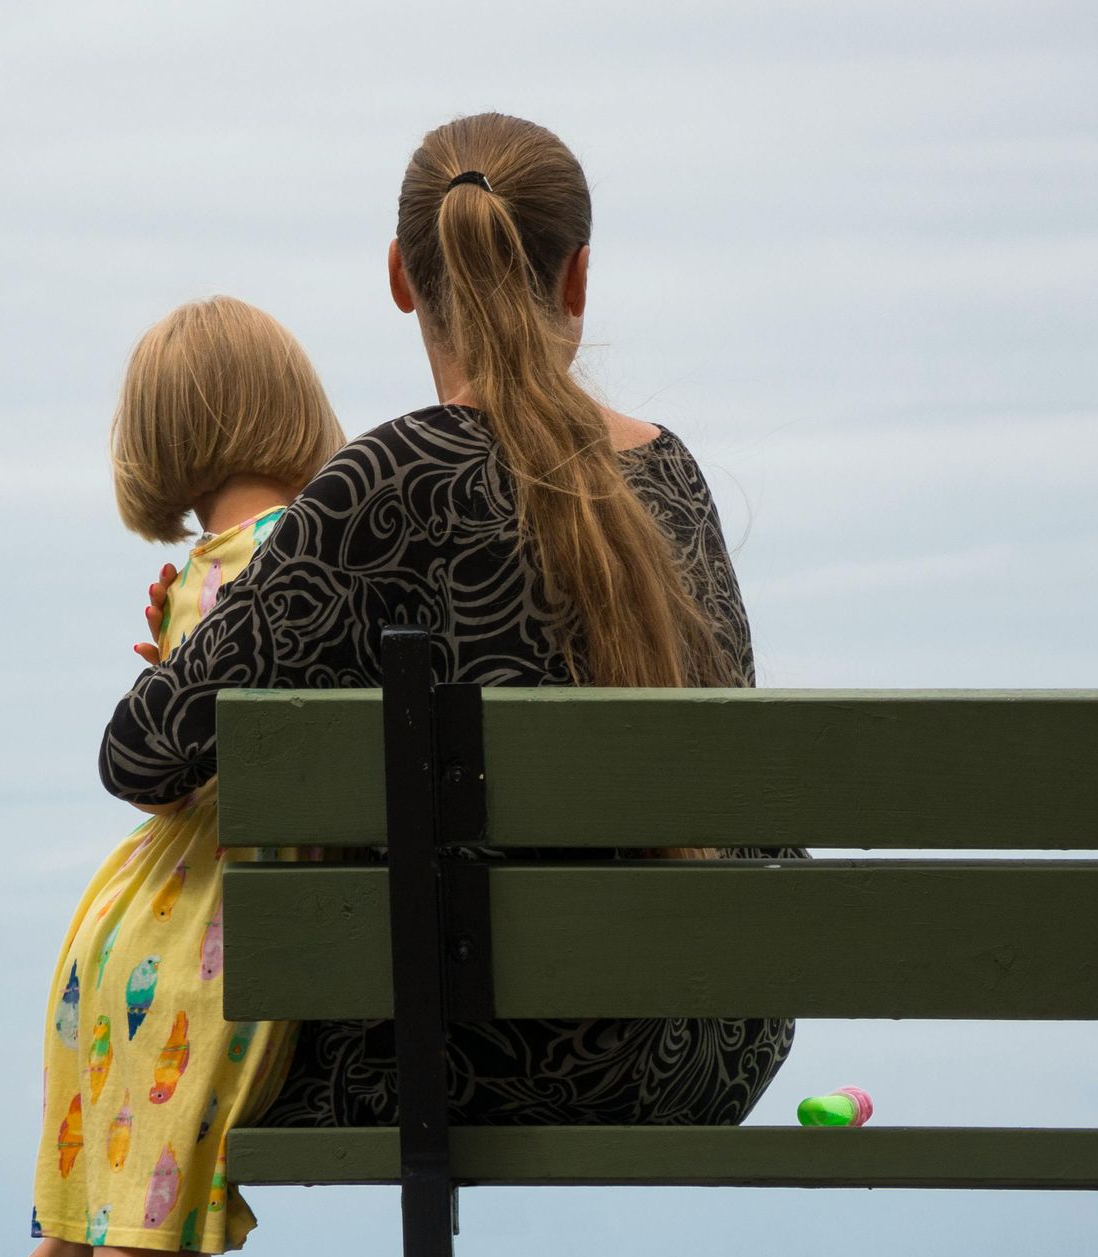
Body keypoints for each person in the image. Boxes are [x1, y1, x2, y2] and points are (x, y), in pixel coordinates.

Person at [100, 112, 805, 1140]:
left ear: (401, 274)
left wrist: (203, 645)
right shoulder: (674, 475)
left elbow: (143, 754)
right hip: (713, 1049)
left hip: (472, 1060)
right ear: (578, 279)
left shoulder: (384, 484)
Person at [14, 297, 346, 1257]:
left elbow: (167, 791)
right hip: (217, 942)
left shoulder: (197, 582)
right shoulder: (318, 557)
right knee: (150, 1249)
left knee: (78, 1239)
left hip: (121, 932)